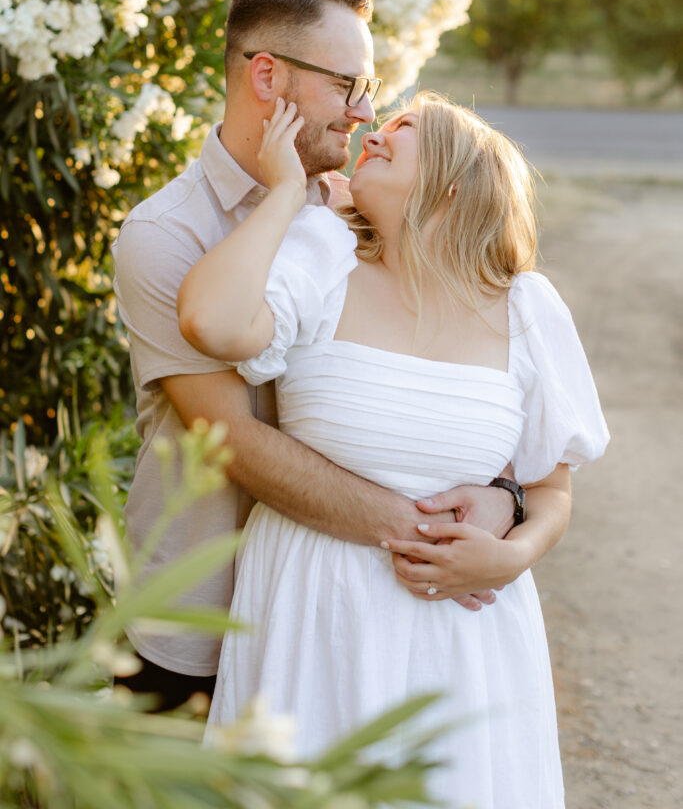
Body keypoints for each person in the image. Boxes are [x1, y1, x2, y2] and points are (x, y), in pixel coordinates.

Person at [113, 0, 571, 712]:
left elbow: (440, 379)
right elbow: (230, 438)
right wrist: (431, 539)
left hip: (352, 616)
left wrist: (505, 497)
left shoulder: (360, 220)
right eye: (348, 86)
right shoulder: (168, 235)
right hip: (199, 609)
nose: (365, 113)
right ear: (268, 77)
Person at [177, 92, 609, 808]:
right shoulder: (323, 253)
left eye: (404, 129)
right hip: (312, 609)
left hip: (465, 633)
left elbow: (552, 492)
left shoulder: (526, 309)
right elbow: (213, 324)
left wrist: (513, 554)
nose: (374, 133)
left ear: (451, 179)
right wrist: (288, 191)